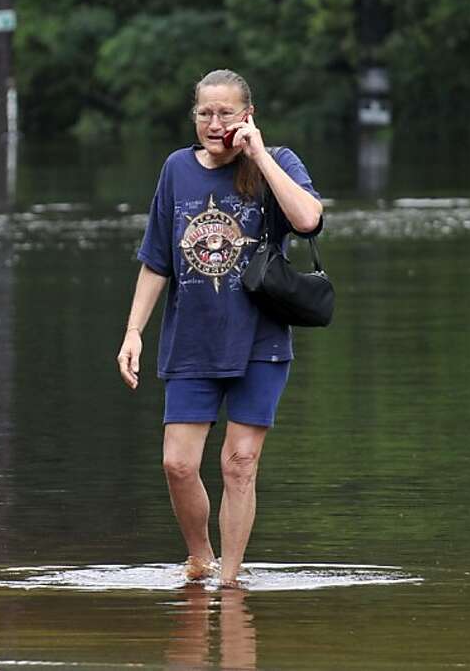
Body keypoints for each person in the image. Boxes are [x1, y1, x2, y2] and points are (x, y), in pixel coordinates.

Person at [116, 68, 324, 588]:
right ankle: (200, 559)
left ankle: (230, 584)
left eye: (226, 113)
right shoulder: (176, 170)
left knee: (240, 463)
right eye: (205, 113)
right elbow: (156, 259)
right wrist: (133, 331)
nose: (214, 123)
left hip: (261, 340)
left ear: (247, 115)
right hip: (192, 340)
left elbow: (307, 220)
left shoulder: (279, 162)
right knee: (178, 465)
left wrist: (260, 157)